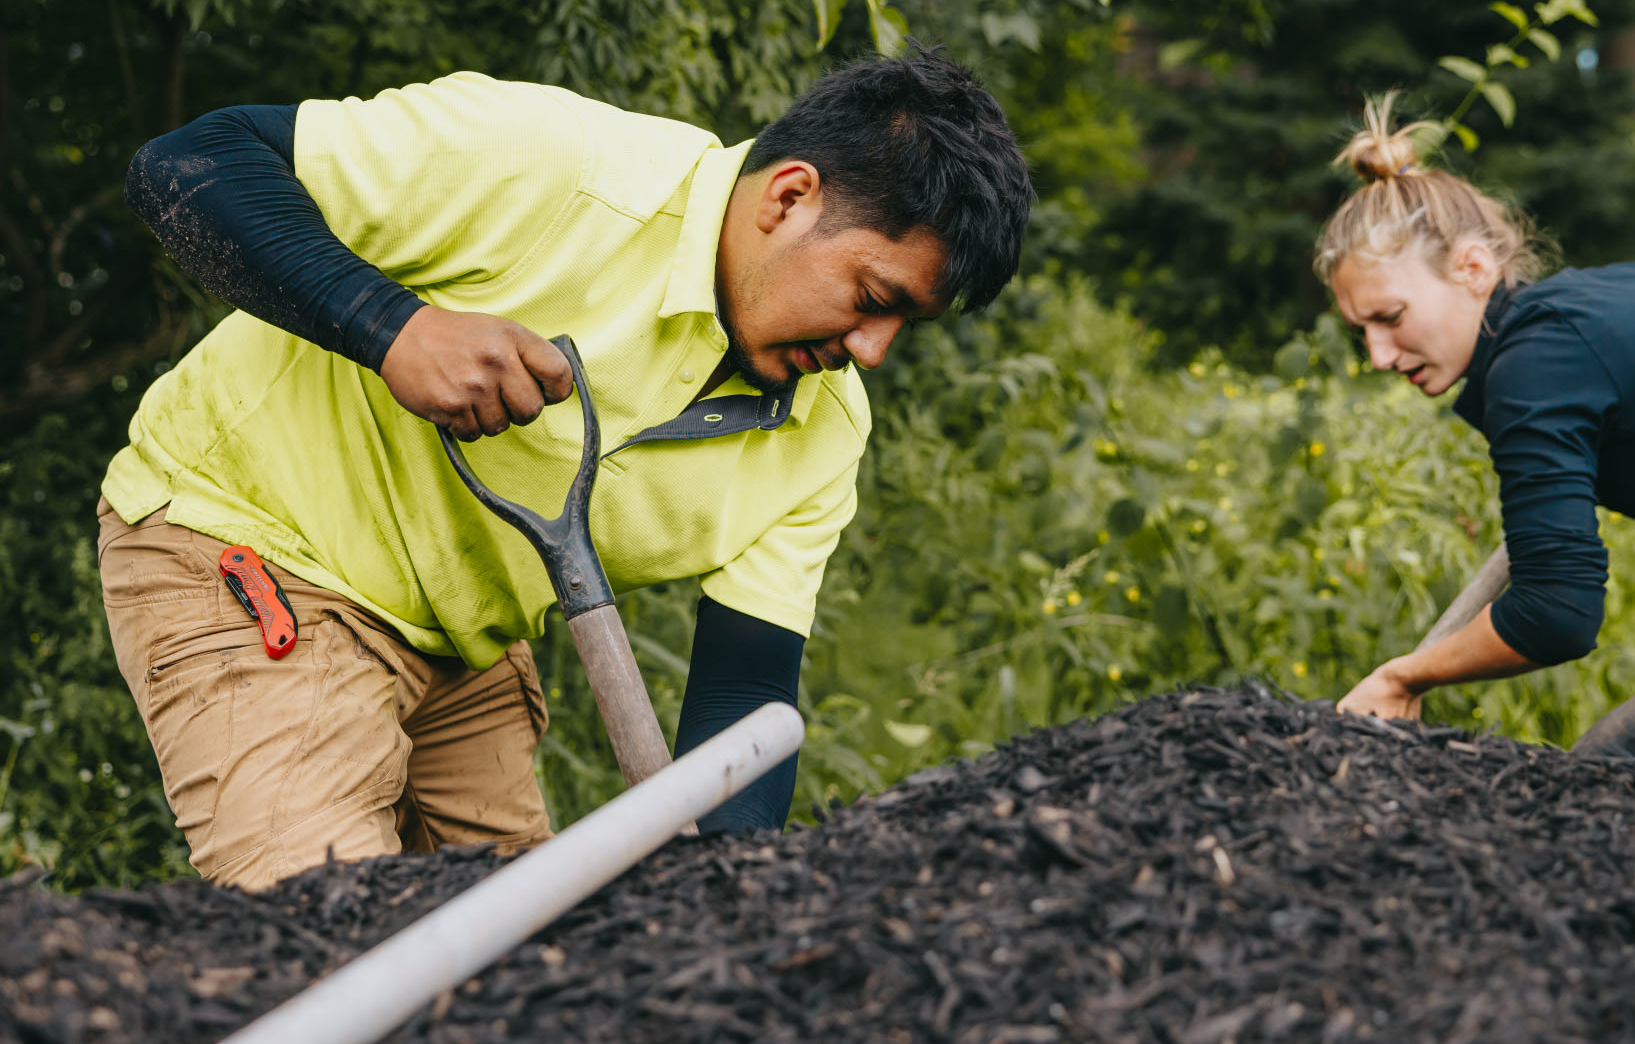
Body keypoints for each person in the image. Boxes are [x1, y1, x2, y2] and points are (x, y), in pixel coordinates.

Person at [99, 44, 1034, 890]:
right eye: (872, 297)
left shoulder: (821, 431)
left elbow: (745, 691)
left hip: (458, 639)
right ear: (786, 199)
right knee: (331, 943)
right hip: (252, 544)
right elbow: (189, 164)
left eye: (901, 325)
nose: (871, 351)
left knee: (530, 963)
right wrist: (394, 329)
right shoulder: (555, 167)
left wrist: (727, 892)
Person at [1316, 93, 1635, 795]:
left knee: (1603, 796)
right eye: (1358, 330)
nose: (1375, 354)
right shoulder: (1577, 319)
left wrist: (1404, 673)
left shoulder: (1536, 367)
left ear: (1473, 268)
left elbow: (1556, 615)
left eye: (1389, 317)